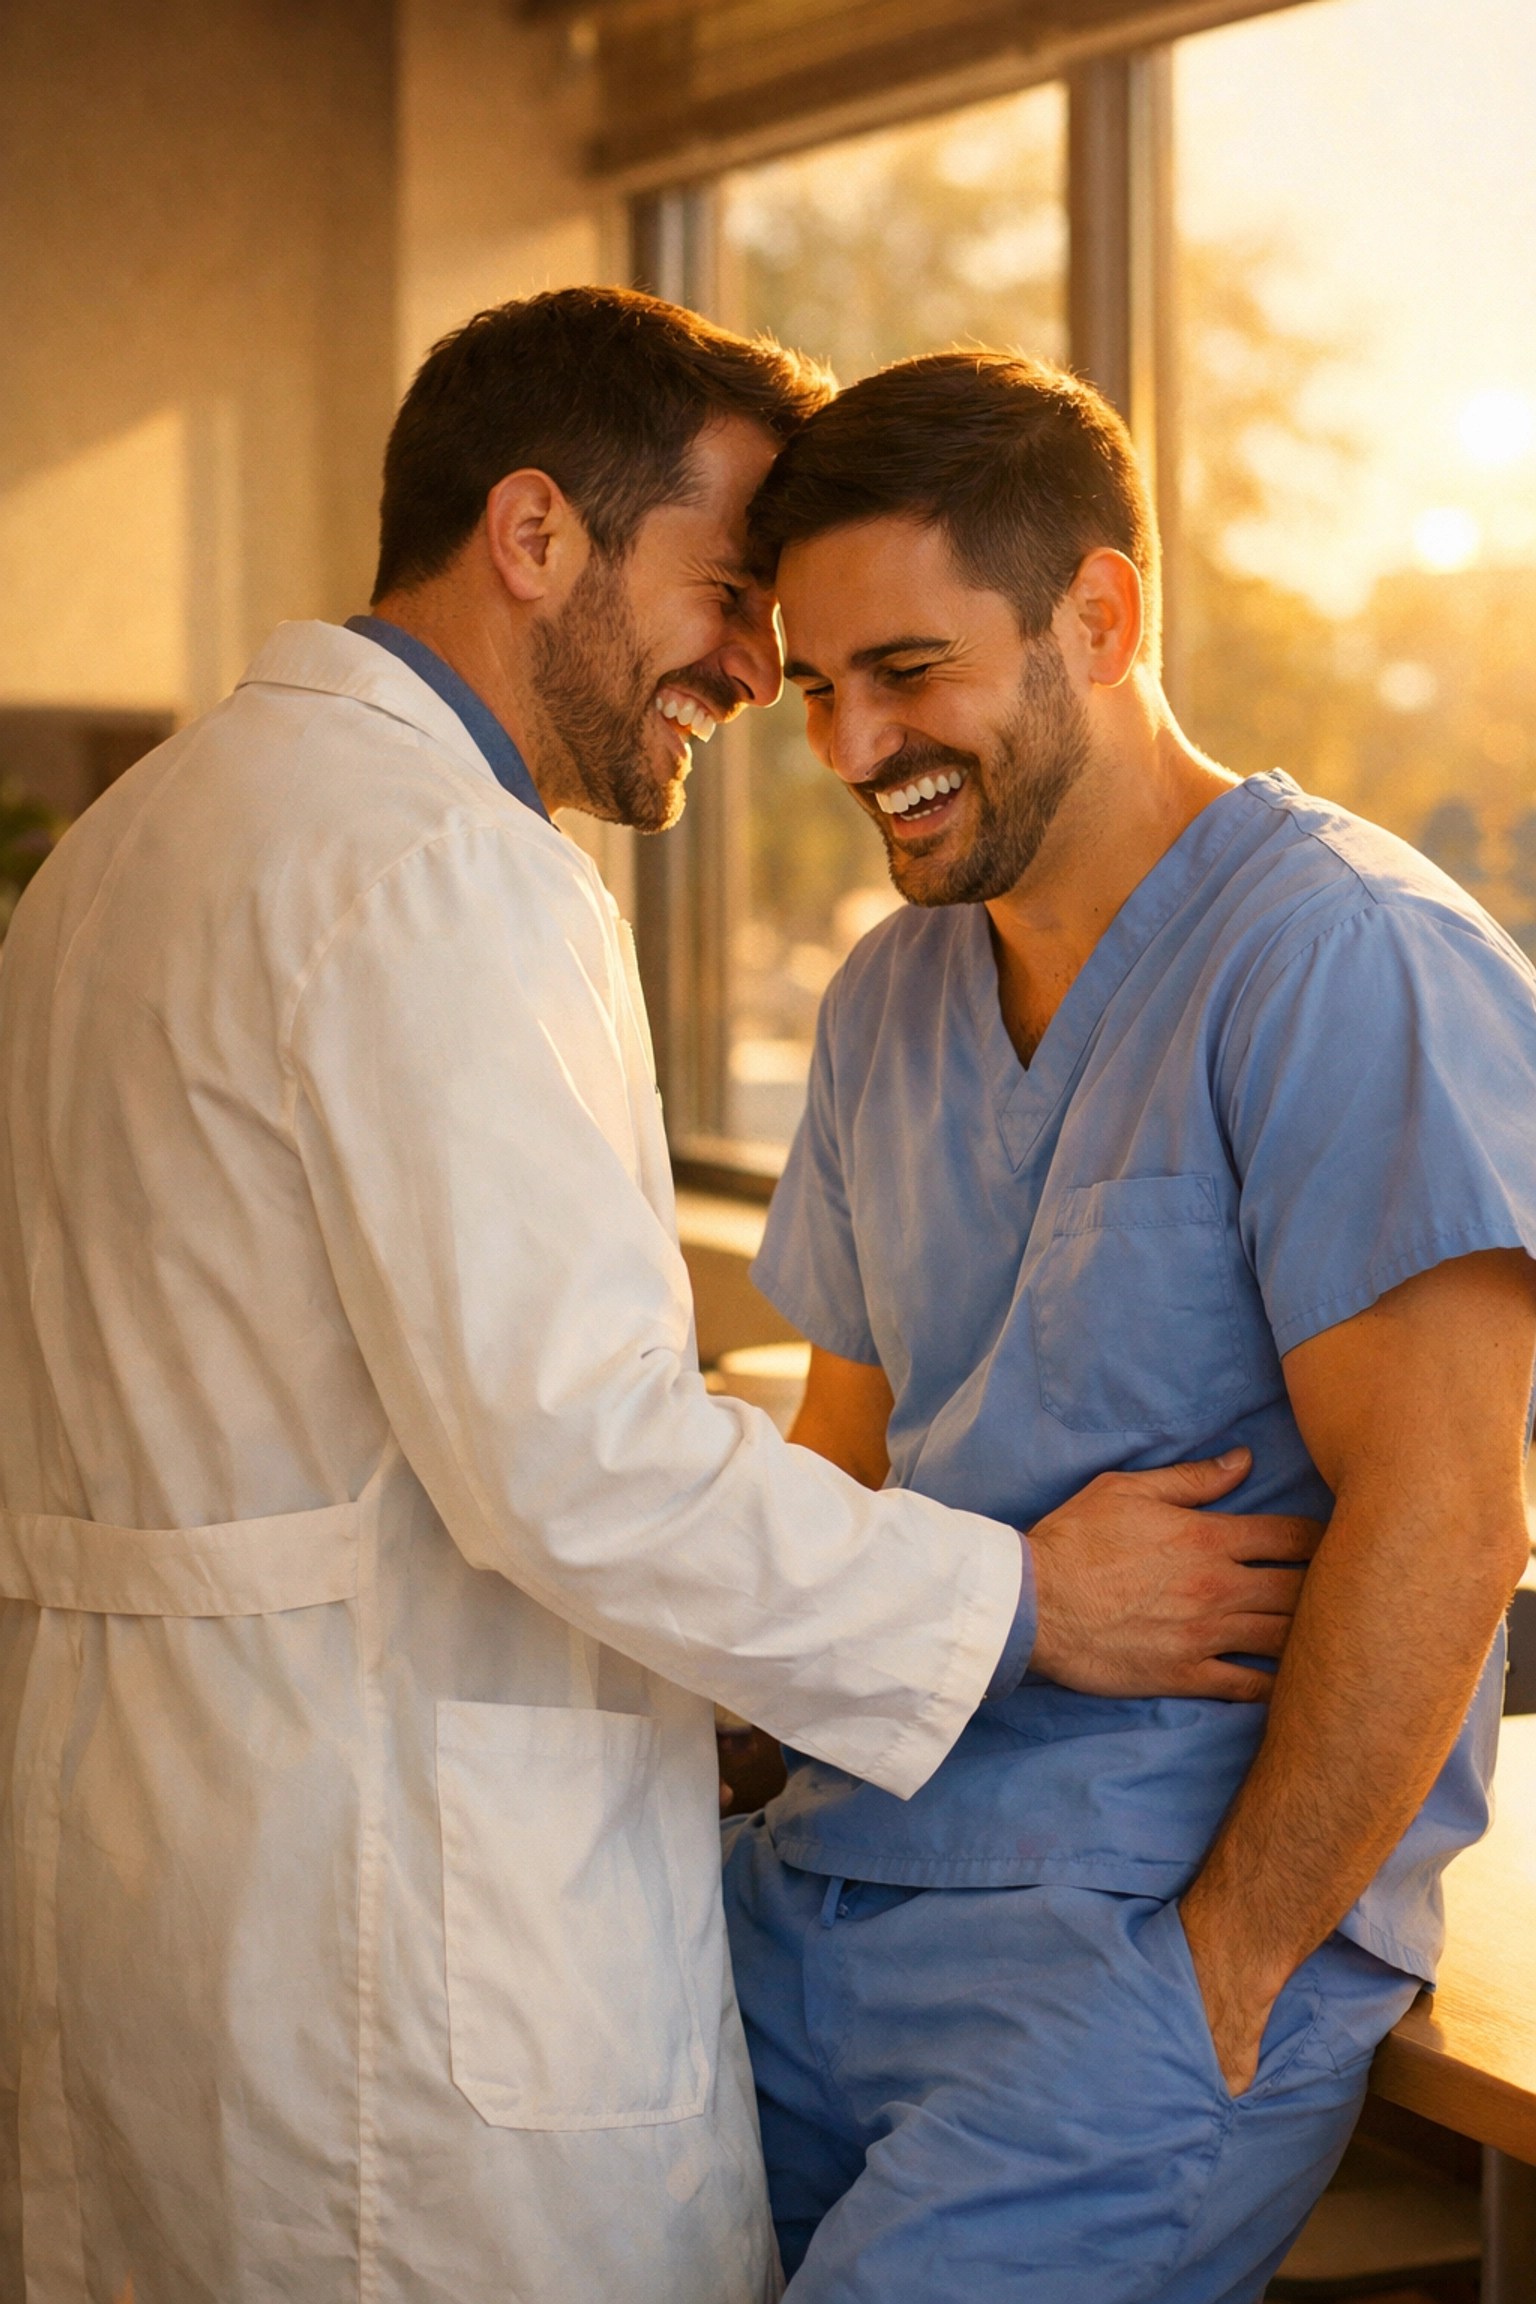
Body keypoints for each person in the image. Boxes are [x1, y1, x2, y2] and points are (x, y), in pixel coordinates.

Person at [0, 293, 1318, 2304]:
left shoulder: (114, 855)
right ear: (534, 536)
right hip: (392, 1938)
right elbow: (580, 1458)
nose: (761, 661)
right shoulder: (442, 865)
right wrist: (1028, 1601)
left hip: (144, 1870)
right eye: (727, 588)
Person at [722, 349, 1536, 2304]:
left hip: (1134, 1943)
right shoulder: (885, 1001)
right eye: (818, 691)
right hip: (811, 1901)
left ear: (1102, 615)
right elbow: (839, 1478)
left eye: (909, 674)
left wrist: (1231, 1972)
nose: (851, 745)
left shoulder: (1346, 959)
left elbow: (1452, 1518)